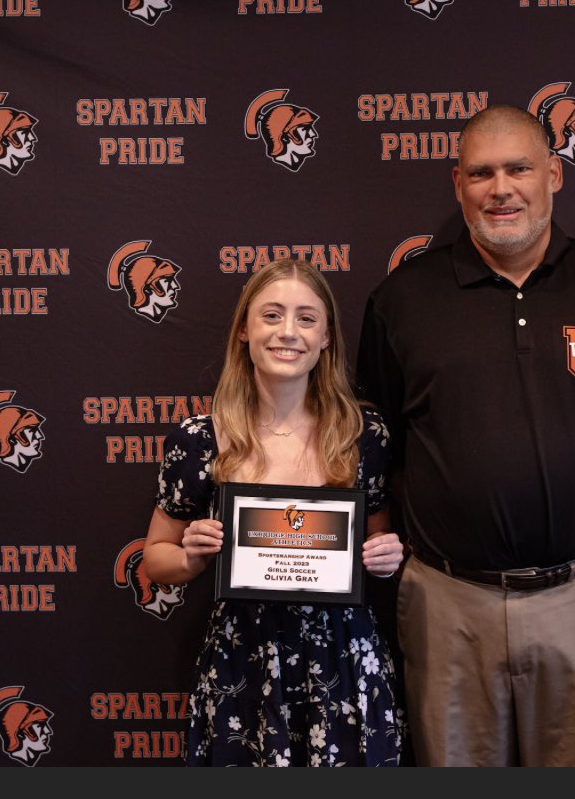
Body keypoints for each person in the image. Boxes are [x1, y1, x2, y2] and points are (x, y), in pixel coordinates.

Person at [357, 105, 575, 767]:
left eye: (519, 168)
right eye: (481, 172)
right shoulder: (403, 300)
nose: (500, 188)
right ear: (458, 184)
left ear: (554, 174)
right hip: (448, 604)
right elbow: (372, 450)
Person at [144, 259, 407, 767]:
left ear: (327, 337)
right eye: (271, 315)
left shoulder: (363, 435)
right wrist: (193, 557)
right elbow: (155, 560)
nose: (288, 332)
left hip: (345, 664)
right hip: (241, 666)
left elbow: (380, 545)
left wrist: (389, 555)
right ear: (244, 330)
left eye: (306, 318)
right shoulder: (199, 440)